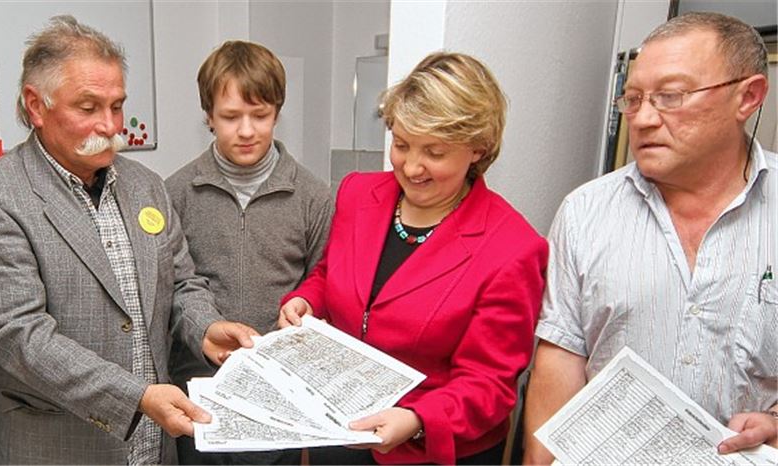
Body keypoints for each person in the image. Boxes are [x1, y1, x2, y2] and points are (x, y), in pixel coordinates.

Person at [0, 16, 257, 465]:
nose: (110, 125)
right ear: (36, 106)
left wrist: (205, 327)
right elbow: (21, 336)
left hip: (152, 446)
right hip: (59, 447)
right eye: (88, 108)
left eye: (117, 106)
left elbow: (183, 283)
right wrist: (136, 396)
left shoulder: (146, 186)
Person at [523, 11, 776, 465]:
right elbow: (560, 361)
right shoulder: (585, 212)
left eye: (671, 97)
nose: (642, 119)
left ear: (748, 97)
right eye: (633, 98)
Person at [278, 51, 548, 465]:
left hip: (430, 449)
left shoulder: (511, 248)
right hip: (340, 429)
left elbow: (489, 384)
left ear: (478, 148)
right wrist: (308, 300)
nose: (412, 166)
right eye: (401, 145)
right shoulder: (356, 193)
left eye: (435, 152)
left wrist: (417, 418)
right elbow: (331, 272)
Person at [166, 40, 333, 465]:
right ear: (207, 116)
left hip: (278, 395)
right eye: (230, 117)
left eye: (260, 116)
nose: (246, 131)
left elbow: (322, 283)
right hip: (198, 391)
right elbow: (171, 291)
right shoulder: (176, 193)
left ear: (278, 112)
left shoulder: (313, 196)